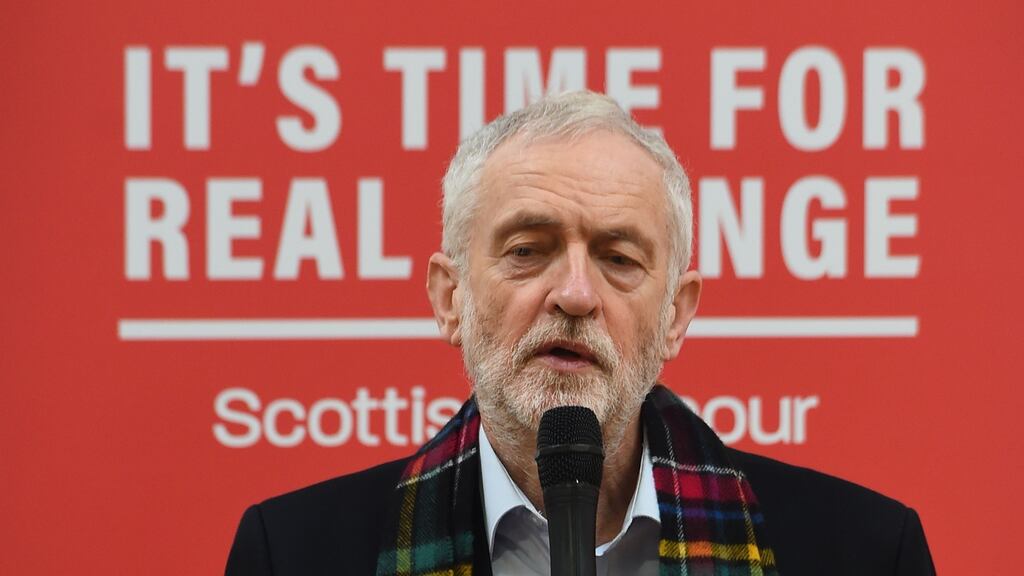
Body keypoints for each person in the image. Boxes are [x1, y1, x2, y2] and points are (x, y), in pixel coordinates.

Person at [225, 91, 935, 575]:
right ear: (451, 299)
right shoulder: (294, 554)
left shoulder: (862, 552)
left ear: (676, 316)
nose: (573, 294)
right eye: (528, 249)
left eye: (619, 258)